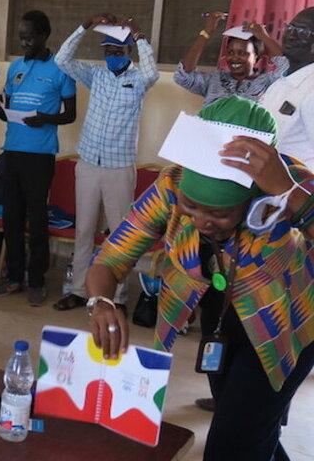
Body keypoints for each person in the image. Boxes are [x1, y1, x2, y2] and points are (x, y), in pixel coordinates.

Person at [86, 96, 314, 460]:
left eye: (220, 214)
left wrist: (288, 193)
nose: (201, 222)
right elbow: (112, 257)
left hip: (285, 326)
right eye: (190, 207)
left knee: (233, 443)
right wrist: (101, 301)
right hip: (219, 322)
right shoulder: (172, 183)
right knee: (248, 429)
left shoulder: (289, 184)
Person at [51, 14, 159, 312]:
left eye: (117, 51)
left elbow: (152, 73)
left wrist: (139, 37)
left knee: (120, 236)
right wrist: (84, 26)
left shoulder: (138, 80)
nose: (111, 56)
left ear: (128, 51)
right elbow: (62, 60)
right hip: (88, 163)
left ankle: (116, 297)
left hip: (119, 168)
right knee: (84, 230)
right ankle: (78, 290)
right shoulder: (96, 75)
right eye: (107, 51)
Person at [0, 10, 75, 306]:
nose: (24, 43)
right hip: (12, 152)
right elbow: (9, 106)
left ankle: (36, 281)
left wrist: (45, 118)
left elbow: (70, 114)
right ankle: (13, 277)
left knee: (36, 219)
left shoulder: (60, 69)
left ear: (45, 36)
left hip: (40, 156)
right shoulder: (16, 67)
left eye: (30, 38)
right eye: (21, 38)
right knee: (11, 216)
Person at [174, 11, 287, 105]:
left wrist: (263, 36)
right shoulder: (214, 79)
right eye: (230, 52)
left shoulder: (266, 82)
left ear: (256, 57)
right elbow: (182, 75)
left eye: (242, 53)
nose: (234, 58)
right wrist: (207, 32)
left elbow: (287, 68)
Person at [261, 7, 314, 171]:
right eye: (290, 28)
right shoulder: (279, 84)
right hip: (269, 181)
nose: (291, 35)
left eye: (302, 32)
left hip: (299, 184)